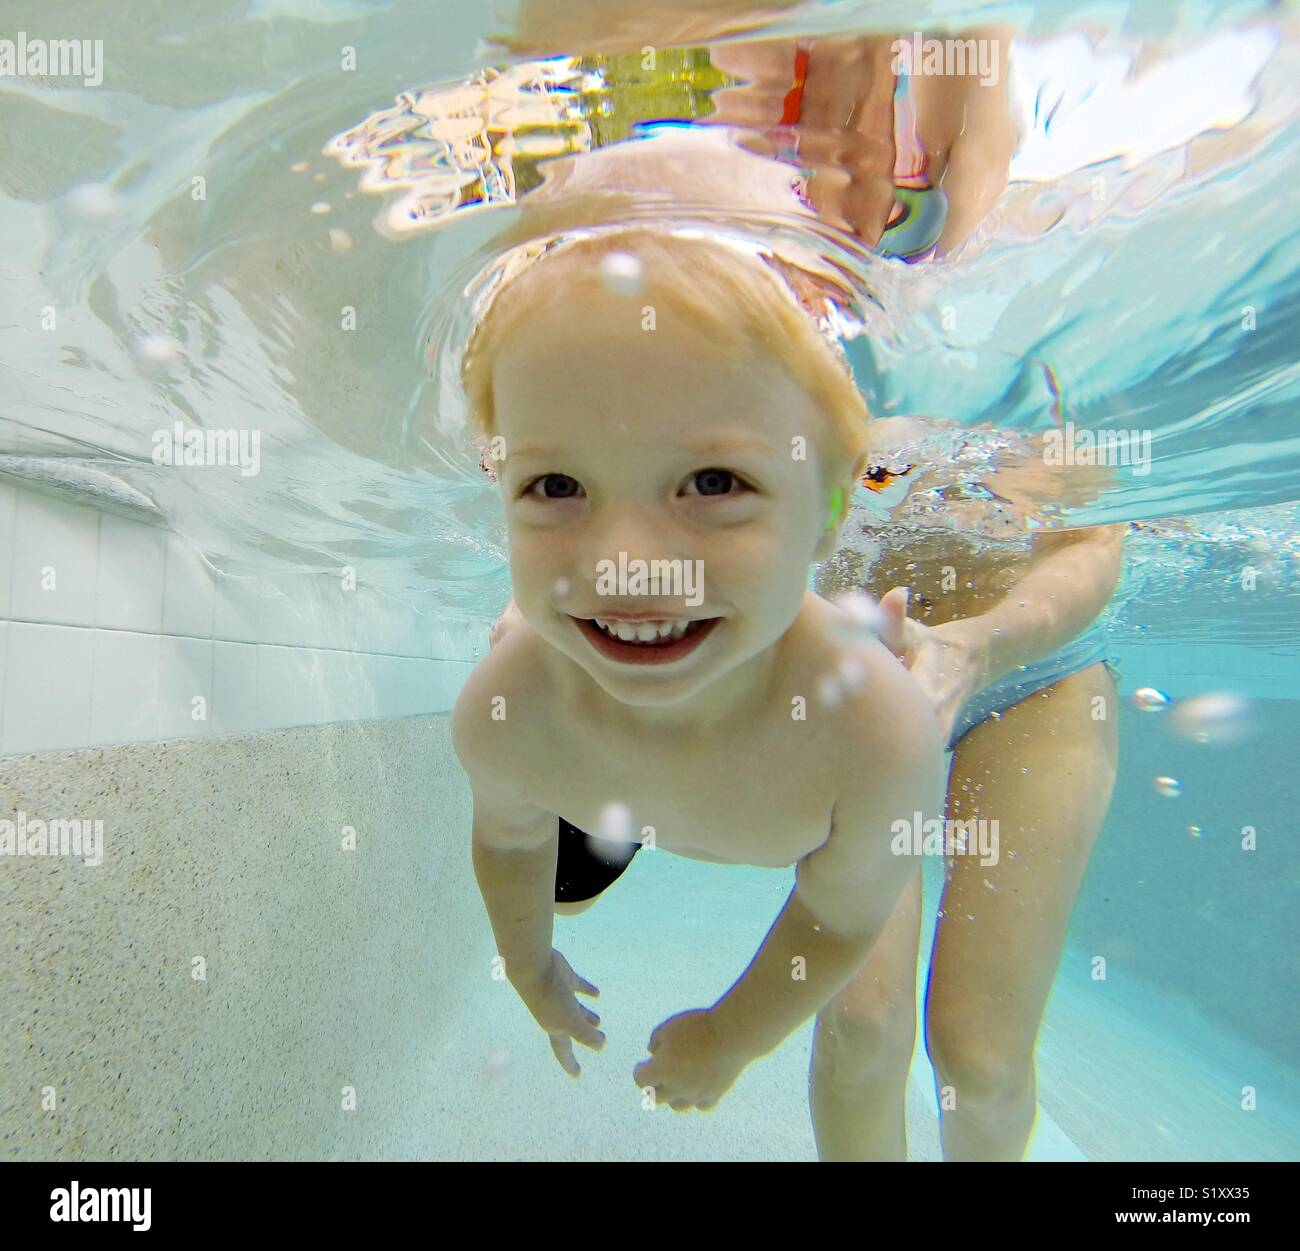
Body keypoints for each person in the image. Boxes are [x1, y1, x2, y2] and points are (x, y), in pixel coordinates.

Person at [453, 223, 948, 1116]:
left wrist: (732, 1036)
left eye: (714, 482)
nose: (627, 566)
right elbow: (512, 840)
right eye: (556, 486)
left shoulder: (878, 741)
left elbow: (835, 918)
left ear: (834, 505)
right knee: (561, 893)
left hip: (782, 729)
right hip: (598, 749)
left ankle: (889, 637)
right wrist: (528, 967)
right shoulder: (504, 707)